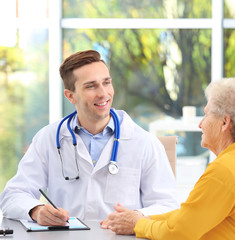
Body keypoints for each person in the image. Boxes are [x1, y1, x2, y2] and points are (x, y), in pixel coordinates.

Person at [100, 77, 235, 239]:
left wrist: (138, 224)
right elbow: (189, 217)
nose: (200, 124)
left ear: (224, 122)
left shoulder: (225, 171)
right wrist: (141, 216)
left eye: (206, 115)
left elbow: (178, 234)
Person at [0, 50, 179, 226]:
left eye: (106, 82)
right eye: (91, 86)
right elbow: (13, 195)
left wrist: (137, 216)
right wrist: (36, 210)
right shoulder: (48, 139)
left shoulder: (145, 142)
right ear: (70, 96)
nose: (103, 93)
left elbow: (168, 205)